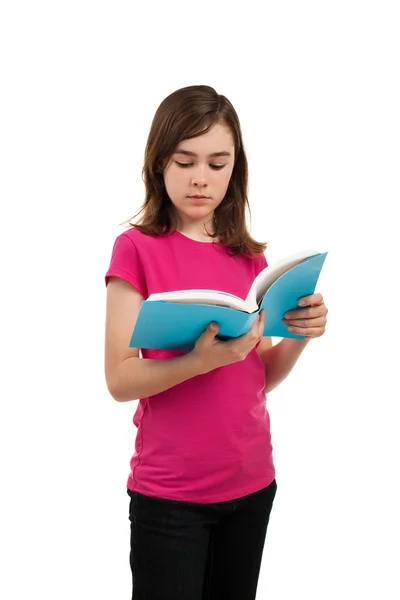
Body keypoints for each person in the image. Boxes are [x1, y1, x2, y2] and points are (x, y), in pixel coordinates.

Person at [104, 85, 328, 600]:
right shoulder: (135, 248)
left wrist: (299, 335)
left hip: (252, 483)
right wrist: (200, 361)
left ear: (235, 169)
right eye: (185, 161)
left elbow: (257, 378)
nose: (201, 178)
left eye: (218, 163)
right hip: (170, 497)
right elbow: (119, 378)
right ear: (159, 163)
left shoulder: (248, 257)